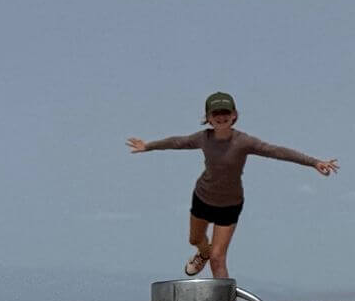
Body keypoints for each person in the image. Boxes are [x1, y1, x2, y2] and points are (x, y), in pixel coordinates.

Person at [126, 92, 338, 279]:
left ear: (234, 115)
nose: (221, 117)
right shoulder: (203, 138)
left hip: (230, 204)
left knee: (218, 259)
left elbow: (276, 151)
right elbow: (177, 142)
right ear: (208, 117)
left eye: (225, 112)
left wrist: (314, 162)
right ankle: (203, 253)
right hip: (202, 197)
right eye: (215, 113)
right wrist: (148, 146)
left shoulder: (244, 142)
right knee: (195, 239)